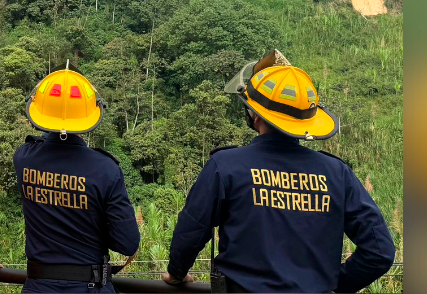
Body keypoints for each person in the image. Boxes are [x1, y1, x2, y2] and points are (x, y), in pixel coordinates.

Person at [162, 51, 396, 292]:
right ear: (308, 121)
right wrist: (333, 286)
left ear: (254, 115)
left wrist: (177, 273)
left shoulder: (226, 166)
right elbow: (380, 252)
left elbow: (192, 229)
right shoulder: (338, 174)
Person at [15, 69, 140, 293]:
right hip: (88, 287)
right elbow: (127, 243)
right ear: (92, 114)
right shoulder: (105, 169)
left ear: (37, 110)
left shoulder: (24, 159)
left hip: (37, 286)